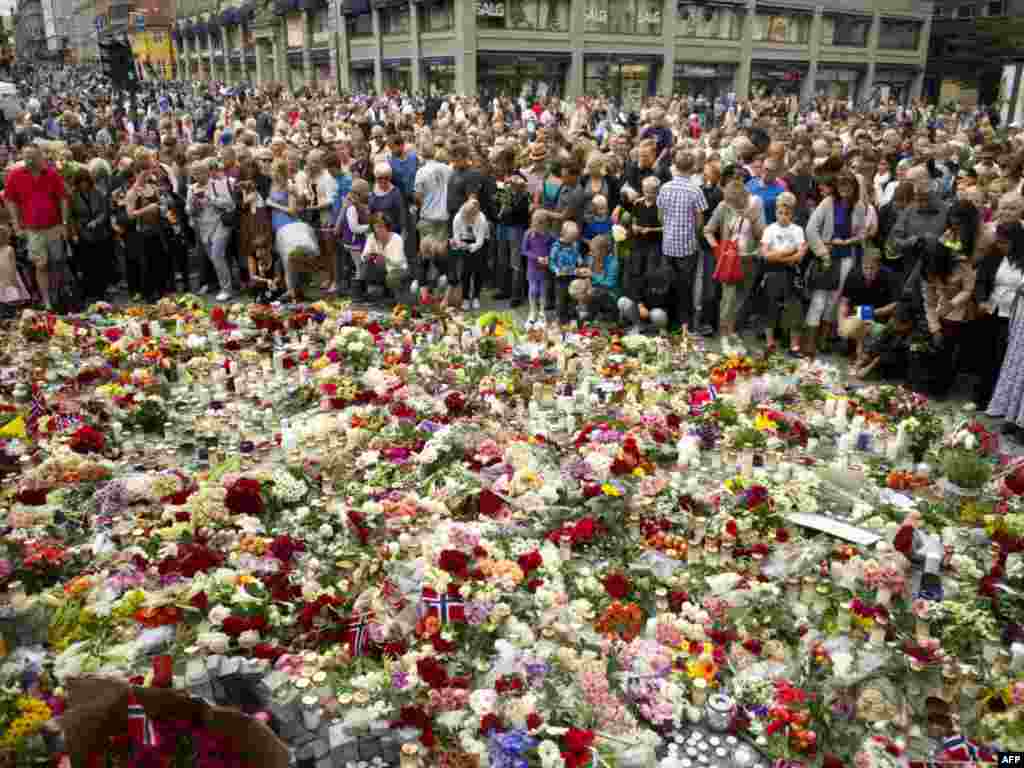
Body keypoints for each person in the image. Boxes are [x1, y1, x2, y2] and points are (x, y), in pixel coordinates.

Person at [805, 172, 869, 354]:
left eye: (848, 185)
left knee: (834, 301)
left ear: (854, 187)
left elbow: (863, 233)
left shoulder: (859, 207)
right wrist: (823, 252)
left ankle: (823, 340)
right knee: (818, 300)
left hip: (847, 257)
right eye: (841, 185)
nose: (844, 189)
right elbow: (811, 229)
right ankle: (809, 341)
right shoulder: (827, 203)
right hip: (827, 257)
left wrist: (850, 241)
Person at [4, 143, 70, 310]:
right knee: (41, 265)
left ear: (40, 156)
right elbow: (10, 200)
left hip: (54, 226)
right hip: (32, 229)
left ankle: (55, 295)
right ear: (22, 156)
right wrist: (16, 224)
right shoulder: (15, 175)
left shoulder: (51, 174)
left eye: (33, 156)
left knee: (57, 262)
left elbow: (63, 198)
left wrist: (64, 223)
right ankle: (47, 300)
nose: (30, 160)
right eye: (27, 156)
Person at [975, 195, 1024, 411]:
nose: (1002, 246)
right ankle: (981, 398)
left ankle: (999, 402)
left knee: (1003, 361)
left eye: (1006, 243)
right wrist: (982, 300)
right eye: (1000, 242)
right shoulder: (995, 253)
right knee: (985, 355)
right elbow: (982, 279)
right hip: (992, 310)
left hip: (1014, 316)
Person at [704, 178, 765, 353]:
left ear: (744, 197)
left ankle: (731, 331)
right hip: (730, 261)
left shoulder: (756, 204)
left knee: (741, 300)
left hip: (749, 259)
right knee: (728, 300)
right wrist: (717, 249)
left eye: (737, 203)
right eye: (731, 203)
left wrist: (752, 220)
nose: (734, 206)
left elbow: (762, 234)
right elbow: (708, 230)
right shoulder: (723, 206)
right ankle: (723, 336)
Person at [758, 191, 807, 356]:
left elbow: (800, 256)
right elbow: (765, 254)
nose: (783, 216)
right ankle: (770, 343)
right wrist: (788, 254)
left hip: (792, 274)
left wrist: (778, 256)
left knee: (794, 308)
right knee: (770, 307)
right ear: (775, 212)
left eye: (787, 213)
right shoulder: (770, 229)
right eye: (780, 212)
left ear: (792, 213)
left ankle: (794, 346)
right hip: (773, 273)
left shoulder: (798, 230)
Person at [837, 246, 902, 362]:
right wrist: (841, 323)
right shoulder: (854, 274)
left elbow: (896, 304)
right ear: (861, 265)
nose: (868, 272)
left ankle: (866, 354)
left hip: (881, 316)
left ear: (879, 266)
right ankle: (857, 351)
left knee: (875, 328)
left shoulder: (889, 275)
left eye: (872, 268)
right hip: (858, 314)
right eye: (865, 268)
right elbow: (844, 302)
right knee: (847, 333)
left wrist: (872, 313)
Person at [186, 157, 236, 302]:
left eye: (200, 172)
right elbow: (188, 210)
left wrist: (211, 198)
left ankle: (227, 289)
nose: (198, 176)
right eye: (195, 173)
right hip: (203, 227)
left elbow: (229, 204)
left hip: (220, 224)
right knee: (214, 259)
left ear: (207, 172)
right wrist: (193, 205)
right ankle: (225, 285)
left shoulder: (216, 185)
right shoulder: (192, 188)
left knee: (216, 256)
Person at [68, 167, 111, 301]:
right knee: (86, 264)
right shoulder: (73, 196)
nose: (83, 185)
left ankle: (101, 291)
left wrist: (96, 222)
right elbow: (71, 216)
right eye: (80, 182)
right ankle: (89, 292)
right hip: (83, 233)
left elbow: (104, 212)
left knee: (101, 263)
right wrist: (74, 233)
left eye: (85, 181)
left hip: (99, 232)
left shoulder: (98, 193)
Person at [851, 301, 917, 380]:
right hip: (889, 345)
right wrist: (864, 358)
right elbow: (880, 341)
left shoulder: (914, 337)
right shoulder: (894, 319)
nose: (892, 322)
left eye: (896, 322)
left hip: (904, 363)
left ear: (908, 324)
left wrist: (870, 367)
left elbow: (893, 352)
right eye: (892, 318)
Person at [570, 233, 619, 322]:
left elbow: (610, 284)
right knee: (576, 286)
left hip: (610, 295)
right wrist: (581, 273)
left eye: (593, 251)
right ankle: (583, 316)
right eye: (591, 250)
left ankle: (597, 318)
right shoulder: (591, 258)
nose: (591, 253)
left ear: (603, 250)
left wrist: (592, 275)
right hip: (594, 290)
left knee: (592, 292)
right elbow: (588, 276)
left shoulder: (613, 263)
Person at [451, 197, 489, 311]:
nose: (468, 220)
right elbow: (456, 237)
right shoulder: (458, 217)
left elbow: (480, 241)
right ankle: (465, 298)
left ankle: (476, 296)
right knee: (465, 271)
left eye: (471, 218)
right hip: (464, 240)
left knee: (478, 269)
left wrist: (471, 247)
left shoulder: (481, 219)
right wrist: (462, 245)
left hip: (480, 242)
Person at [361, 213, 409, 304]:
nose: (378, 230)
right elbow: (364, 255)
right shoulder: (371, 237)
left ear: (387, 227)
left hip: (398, 269)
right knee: (365, 266)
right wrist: (368, 256)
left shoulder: (396, 238)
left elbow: (398, 262)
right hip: (380, 268)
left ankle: (399, 299)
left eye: (381, 227)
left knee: (391, 277)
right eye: (375, 227)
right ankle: (376, 295)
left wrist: (385, 260)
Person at [336, 178, 371, 297]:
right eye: (366, 192)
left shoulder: (357, 205)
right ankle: (357, 293)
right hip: (354, 241)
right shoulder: (352, 208)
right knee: (359, 266)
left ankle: (359, 290)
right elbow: (354, 227)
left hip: (356, 240)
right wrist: (369, 227)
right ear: (360, 193)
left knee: (359, 265)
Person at [549, 219, 586, 325]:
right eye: (571, 238)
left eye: (574, 238)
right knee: (561, 298)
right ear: (563, 234)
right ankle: (561, 319)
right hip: (561, 277)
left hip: (573, 274)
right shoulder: (556, 246)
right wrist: (556, 270)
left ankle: (573, 319)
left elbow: (577, 254)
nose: (572, 240)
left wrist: (580, 260)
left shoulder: (574, 244)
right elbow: (552, 261)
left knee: (573, 298)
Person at [523, 209, 552, 326]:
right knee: (533, 289)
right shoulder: (528, 234)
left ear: (545, 225)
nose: (538, 228)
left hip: (544, 268)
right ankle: (532, 311)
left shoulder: (549, 236)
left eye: (541, 226)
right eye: (535, 224)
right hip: (532, 267)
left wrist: (548, 258)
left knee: (543, 291)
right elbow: (524, 250)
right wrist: (536, 257)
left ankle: (542, 312)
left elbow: (553, 249)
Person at [0, 224, 30, 314]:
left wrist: (13, 281)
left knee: (12, 298)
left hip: (10, 278)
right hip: (2, 278)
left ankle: (14, 312)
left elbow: (12, 267)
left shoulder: (9, 249)